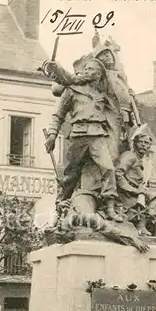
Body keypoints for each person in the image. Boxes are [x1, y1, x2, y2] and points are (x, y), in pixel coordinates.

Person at [44, 58, 123, 222]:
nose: (86, 71)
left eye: (91, 69)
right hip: (78, 135)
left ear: (99, 74)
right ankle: (61, 205)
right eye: (85, 68)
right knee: (70, 175)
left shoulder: (103, 93)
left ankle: (110, 207)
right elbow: (58, 115)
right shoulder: (71, 89)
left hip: (97, 135)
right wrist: (52, 135)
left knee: (108, 169)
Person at [115, 131, 156, 235]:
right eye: (141, 142)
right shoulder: (129, 156)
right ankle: (141, 224)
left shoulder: (140, 160)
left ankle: (142, 223)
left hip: (136, 193)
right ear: (134, 143)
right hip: (125, 193)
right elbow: (117, 173)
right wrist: (133, 190)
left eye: (147, 143)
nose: (144, 145)